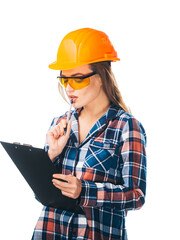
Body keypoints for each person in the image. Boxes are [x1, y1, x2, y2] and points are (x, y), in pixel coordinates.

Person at [32, 28, 147, 240]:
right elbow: (42, 196)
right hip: (50, 232)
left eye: (78, 79)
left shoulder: (126, 127)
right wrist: (51, 156)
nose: (69, 88)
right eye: (65, 80)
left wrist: (84, 191)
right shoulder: (60, 125)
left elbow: (136, 196)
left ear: (102, 76)